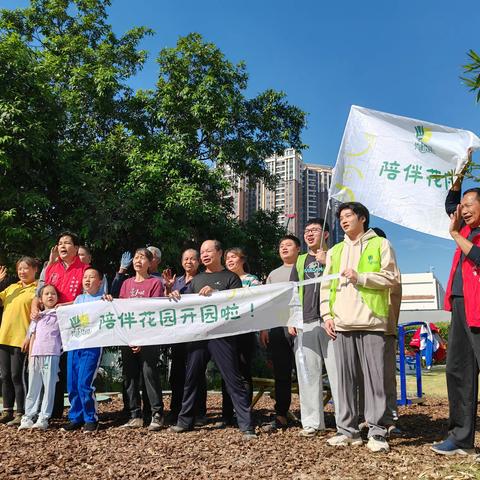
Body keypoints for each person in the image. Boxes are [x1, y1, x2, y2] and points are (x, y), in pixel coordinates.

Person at [322, 202, 400, 453]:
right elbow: (326, 286)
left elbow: (392, 277)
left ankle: (377, 432)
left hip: (372, 322)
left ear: (362, 218)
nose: (344, 221)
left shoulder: (380, 244)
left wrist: (361, 277)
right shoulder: (334, 251)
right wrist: (326, 315)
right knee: (344, 382)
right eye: (341, 218)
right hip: (341, 323)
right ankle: (348, 431)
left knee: (375, 381)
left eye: (348, 216)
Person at [170, 240, 256, 440]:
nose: (205, 254)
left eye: (208, 250)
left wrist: (216, 294)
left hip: (222, 336)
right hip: (199, 336)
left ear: (220, 252)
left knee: (233, 379)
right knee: (191, 379)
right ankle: (185, 421)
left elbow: (237, 303)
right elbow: (187, 307)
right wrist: (177, 295)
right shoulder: (196, 280)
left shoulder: (231, 278)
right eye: (202, 252)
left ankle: (246, 425)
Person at [431, 168, 480, 455]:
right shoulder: (464, 227)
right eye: (464, 208)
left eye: (470, 207)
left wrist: (453, 235)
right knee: (458, 370)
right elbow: (451, 204)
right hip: (462, 306)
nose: (464, 211)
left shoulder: (463, 235)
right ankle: (460, 439)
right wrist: (459, 175)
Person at [288, 218, 339, 437]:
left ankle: (345, 423)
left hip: (333, 321)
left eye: (315, 230)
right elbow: (292, 292)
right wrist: (291, 319)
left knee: (338, 375)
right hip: (305, 322)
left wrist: (328, 261)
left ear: (326, 234)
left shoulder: (337, 254)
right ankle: (312, 423)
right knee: (308, 375)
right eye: (306, 231)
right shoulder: (300, 261)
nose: (309, 234)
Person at [32, 231, 90, 419]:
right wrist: (35, 307)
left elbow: (87, 298)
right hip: (50, 325)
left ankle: (79, 413)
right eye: (60, 242)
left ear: (76, 248)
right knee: (51, 368)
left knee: (72, 368)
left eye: (67, 243)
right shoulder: (51, 268)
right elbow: (40, 294)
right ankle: (53, 412)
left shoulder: (85, 270)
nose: (62, 246)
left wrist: (63, 307)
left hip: (75, 324)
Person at [118, 248, 165, 430]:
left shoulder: (155, 283)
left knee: (149, 374)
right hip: (128, 337)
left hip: (148, 338)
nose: (138, 260)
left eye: (142, 257)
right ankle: (134, 415)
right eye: (136, 257)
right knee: (129, 376)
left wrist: (141, 339)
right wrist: (130, 338)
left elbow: (153, 312)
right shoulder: (126, 284)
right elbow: (122, 311)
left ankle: (156, 414)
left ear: (150, 262)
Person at [259, 235, 300, 430]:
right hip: (278, 327)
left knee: (306, 372)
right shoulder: (273, 274)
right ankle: (281, 414)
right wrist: (264, 327)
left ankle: (311, 416)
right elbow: (268, 303)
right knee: (282, 374)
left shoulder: (305, 269)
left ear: (298, 249)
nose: (284, 248)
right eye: (281, 246)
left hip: (301, 326)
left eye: (289, 245)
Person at [62, 268, 105, 433]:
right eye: (85, 277)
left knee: (84, 384)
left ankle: (90, 418)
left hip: (91, 346)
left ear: (100, 281)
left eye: (92, 277)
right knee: (72, 384)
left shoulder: (103, 299)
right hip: (74, 345)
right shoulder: (79, 299)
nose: (87, 280)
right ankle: (76, 417)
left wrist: (108, 300)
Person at [167, 249, 207, 424]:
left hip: (197, 332)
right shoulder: (176, 281)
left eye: (192, 259)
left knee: (197, 372)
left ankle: (199, 412)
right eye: (186, 258)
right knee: (177, 372)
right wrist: (169, 289)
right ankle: (176, 410)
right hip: (178, 334)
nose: (189, 261)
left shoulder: (203, 280)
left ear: (198, 262)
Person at [222, 247, 260, 426]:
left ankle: (244, 412)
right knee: (226, 372)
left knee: (243, 373)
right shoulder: (222, 280)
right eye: (227, 258)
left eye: (233, 257)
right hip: (225, 334)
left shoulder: (252, 281)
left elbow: (258, 303)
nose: (229, 260)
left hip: (245, 333)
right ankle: (226, 413)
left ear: (242, 260)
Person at [0, 257, 38, 425]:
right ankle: (7, 410)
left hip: (21, 338)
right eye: (20, 269)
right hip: (4, 337)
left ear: (34, 269)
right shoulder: (11, 288)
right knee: (5, 375)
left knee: (17, 375)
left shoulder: (38, 288)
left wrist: (30, 336)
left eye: (26, 268)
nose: (22, 272)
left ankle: (21, 412)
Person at [18, 284, 62, 430]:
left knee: (49, 387)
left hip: (51, 354)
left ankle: (44, 417)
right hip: (35, 355)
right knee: (33, 388)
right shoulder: (37, 318)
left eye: (53, 294)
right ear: (41, 300)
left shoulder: (60, 315)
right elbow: (32, 337)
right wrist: (30, 357)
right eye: (47, 294)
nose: (50, 296)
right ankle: (28, 417)